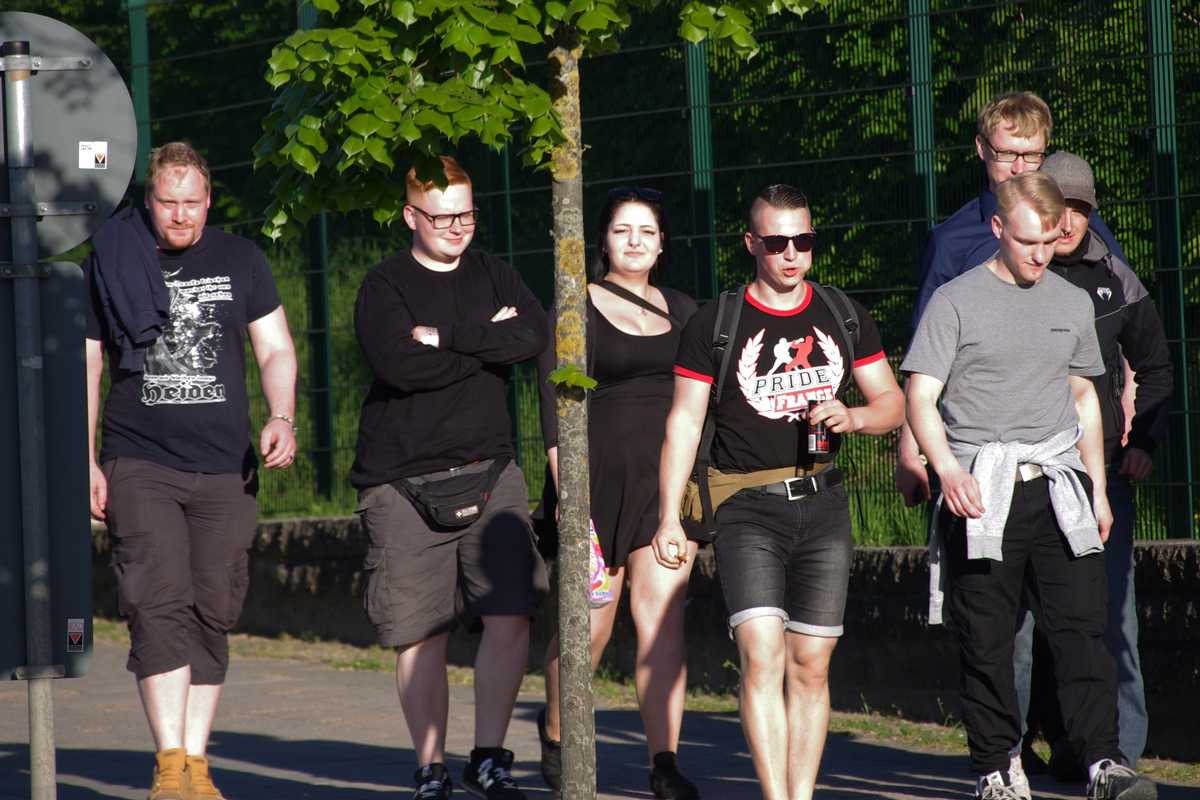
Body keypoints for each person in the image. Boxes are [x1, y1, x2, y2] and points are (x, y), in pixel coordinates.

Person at [902, 171, 1157, 800]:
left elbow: (1085, 398)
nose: (1040, 255)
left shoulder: (1070, 302)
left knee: (1082, 630)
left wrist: (1097, 489)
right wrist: (948, 470)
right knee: (987, 640)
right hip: (982, 490)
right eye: (1026, 242)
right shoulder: (954, 301)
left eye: (1049, 241)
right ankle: (996, 768)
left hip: (1059, 487)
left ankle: (1103, 763)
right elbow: (921, 396)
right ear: (997, 228)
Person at [652, 185, 904, 800]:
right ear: (751, 244)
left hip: (825, 505)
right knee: (762, 655)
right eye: (776, 242)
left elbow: (893, 403)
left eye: (803, 240)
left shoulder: (842, 313)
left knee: (811, 666)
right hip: (745, 507)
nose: (791, 253)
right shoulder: (716, 322)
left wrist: (855, 417)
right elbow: (683, 421)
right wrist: (668, 518)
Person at [85, 142, 298, 800]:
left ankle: (198, 765)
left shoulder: (241, 258)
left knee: (213, 610)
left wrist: (282, 415)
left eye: (192, 202)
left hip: (225, 466)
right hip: (140, 458)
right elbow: (88, 362)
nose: (180, 215)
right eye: (167, 202)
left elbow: (275, 348)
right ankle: (170, 763)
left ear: (209, 201)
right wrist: (84, 458)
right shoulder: (112, 258)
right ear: (149, 201)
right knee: (155, 605)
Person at [350, 156, 549, 800]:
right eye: (443, 218)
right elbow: (400, 366)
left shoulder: (494, 272)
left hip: (494, 470)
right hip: (401, 480)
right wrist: (487, 341)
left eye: (467, 214)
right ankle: (431, 771)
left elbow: (534, 334)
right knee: (421, 632)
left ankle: (487, 759)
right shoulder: (384, 285)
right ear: (411, 216)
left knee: (511, 613)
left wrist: (445, 337)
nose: (458, 227)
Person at [535, 188, 705, 798]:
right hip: (595, 487)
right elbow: (554, 409)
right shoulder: (573, 308)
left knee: (662, 625)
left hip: (666, 490)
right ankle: (557, 729)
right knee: (590, 628)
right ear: (602, 241)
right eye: (622, 230)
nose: (635, 241)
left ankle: (665, 764)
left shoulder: (684, 310)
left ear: (662, 244)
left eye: (647, 231)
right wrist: (570, 501)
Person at [895, 91, 1129, 507]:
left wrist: (1128, 397)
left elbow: (1126, 313)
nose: (1019, 167)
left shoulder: (1080, 225)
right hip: (980, 456)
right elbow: (923, 361)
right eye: (1007, 154)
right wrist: (909, 452)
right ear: (982, 148)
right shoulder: (952, 241)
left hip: (1072, 446)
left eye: (1032, 155)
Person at [1038, 151, 1172, 770]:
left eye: (1079, 208)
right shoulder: (1015, 271)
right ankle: (1054, 745)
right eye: (1056, 207)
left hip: (1104, 475)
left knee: (1114, 616)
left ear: (1092, 211)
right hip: (1030, 469)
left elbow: (1156, 367)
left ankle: (1122, 757)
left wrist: (1142, 441)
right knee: (1033, 621)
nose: (1066, 221)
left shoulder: (1115, 276)